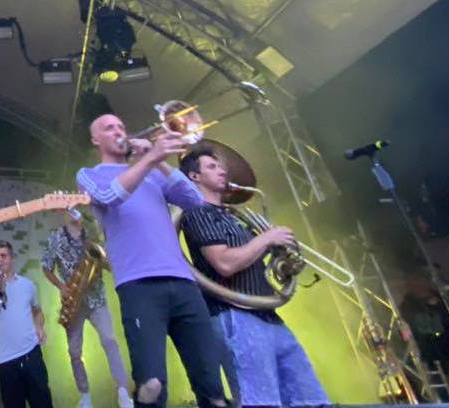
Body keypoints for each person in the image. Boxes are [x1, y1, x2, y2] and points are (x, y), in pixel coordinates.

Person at [75, 114, 228, 408]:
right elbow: (108, 196)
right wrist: (149, 159)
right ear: (95, 140)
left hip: (183, 283)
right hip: (138, 285)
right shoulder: (89, 174)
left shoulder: (153, 172)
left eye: (121, 125)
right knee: (151, 386)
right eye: (109, 128)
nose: (119, 130)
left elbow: (194, 200)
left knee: (213, 390)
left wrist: (158, 160)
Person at [177, 147, 328, 408]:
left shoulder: (235, 217)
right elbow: (224, 263)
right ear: (194, 177)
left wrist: (283, 257)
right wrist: (267, 238)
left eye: (219, 165)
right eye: (211, 167)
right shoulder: (197, 211)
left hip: (268, 315)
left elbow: (255, 257)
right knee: (261, 402)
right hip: (235, 317)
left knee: (311, 399)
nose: (222, 170)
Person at [41, 209, 130, 408]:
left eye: (76, 210)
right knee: (74, 352)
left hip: (97, 298)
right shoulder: (55, 238)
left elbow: (109, 265)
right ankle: (85, 396)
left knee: (110, 341)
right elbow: (46, 267)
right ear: (64, 214)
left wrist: (102, 256)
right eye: (69, 210)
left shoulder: (93, 233)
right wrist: (61, 287)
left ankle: (123, 392)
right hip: (73, 300)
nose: (73, 214)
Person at [0, 240, 53, 408]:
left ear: (12, 258)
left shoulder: (27, 285)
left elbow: (37, 310)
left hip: (31, 354)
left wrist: (40, 326)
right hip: (5, 361)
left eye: (4, 256)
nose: (0, 260)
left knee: (43, 403)